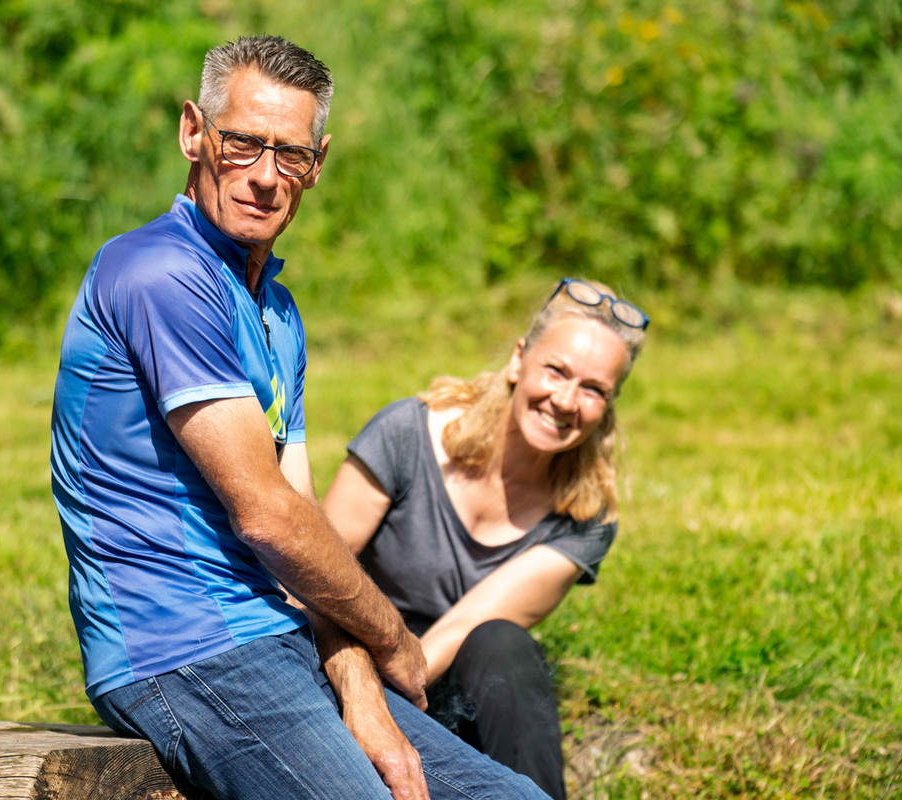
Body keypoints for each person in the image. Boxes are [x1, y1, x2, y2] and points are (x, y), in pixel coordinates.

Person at [50, 35, 548, 800]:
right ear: (193, 132)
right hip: (179, 651)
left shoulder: (276, 313)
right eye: (242, 143)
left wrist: (358, 682)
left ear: (317, 166)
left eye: (291, 154)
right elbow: (269, 518)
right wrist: (392, 640)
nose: (264, 175)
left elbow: (301, 519)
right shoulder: (159, 272)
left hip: (277, 642)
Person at [322, 278, 649, 799]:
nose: (566, 400)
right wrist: (363, 700)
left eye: (594, 390)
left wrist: (395, 711)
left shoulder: (586, 516)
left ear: (608, 405)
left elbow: (466, 624)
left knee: (502, 643)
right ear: (519, 359)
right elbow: (311, 575)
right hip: (346, 669)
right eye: (556, 370)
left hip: (443, 689)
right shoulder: (407, 434)